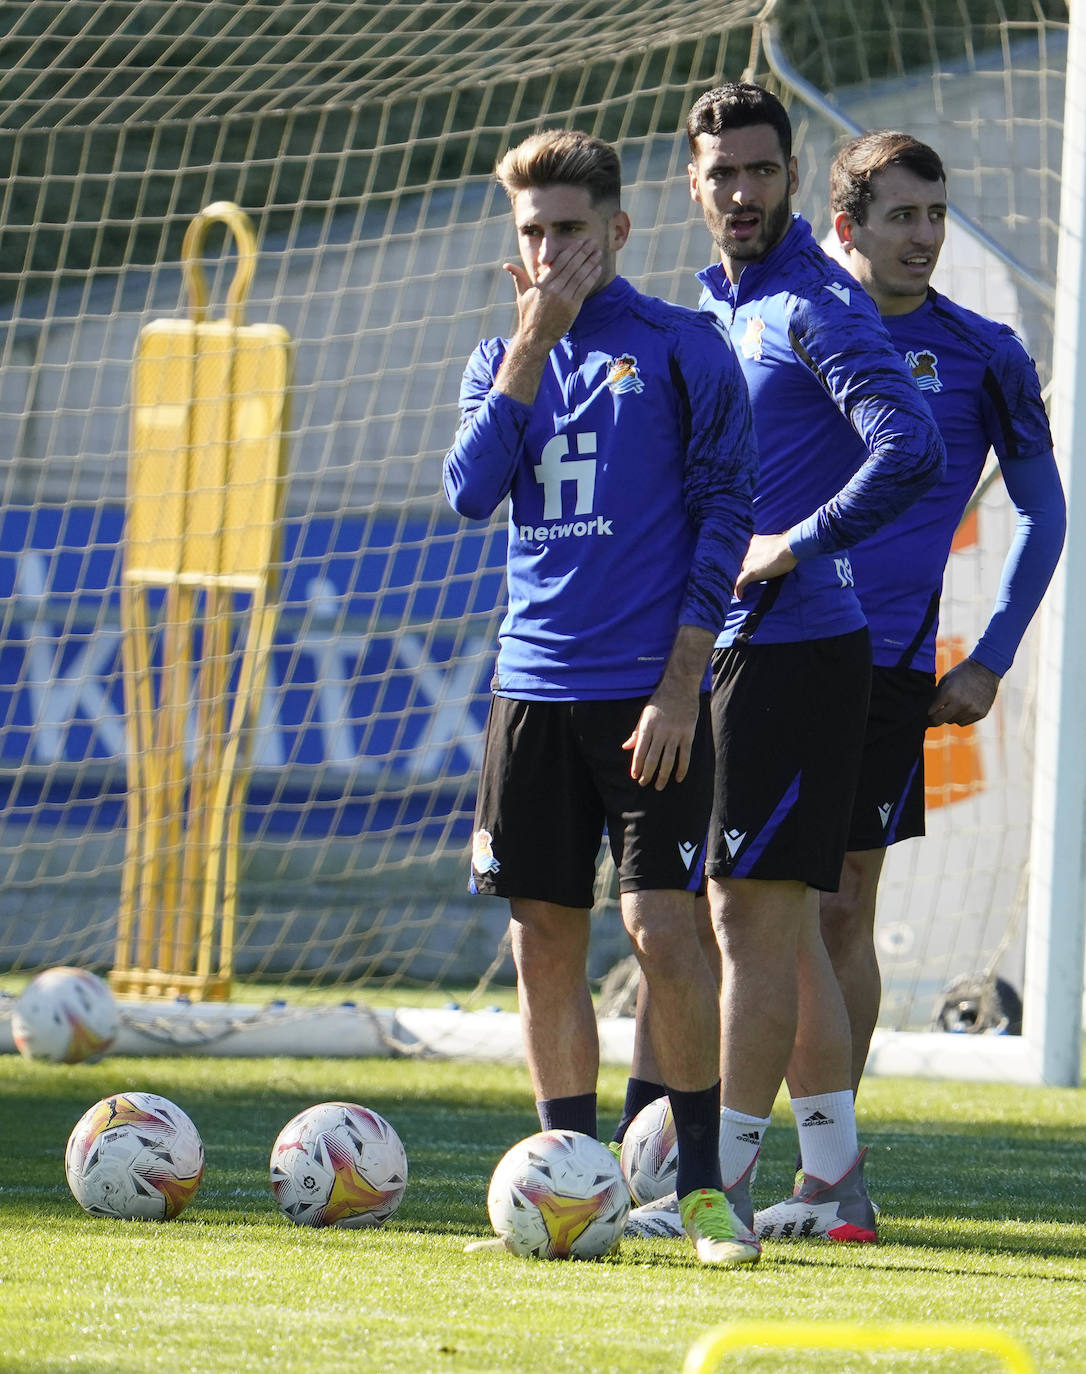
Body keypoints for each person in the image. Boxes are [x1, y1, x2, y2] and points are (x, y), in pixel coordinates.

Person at [623, 83, 946, 1247]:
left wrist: (795, 544)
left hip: (802, 650)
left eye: (762, 172)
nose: (744, 192)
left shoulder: (814, 301)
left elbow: (908, 445)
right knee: (768, 924)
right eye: (723, 175)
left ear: (794, 178)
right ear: (694, 184)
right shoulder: (716, 307)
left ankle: (723, 1190)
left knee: (750, 917)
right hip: (724, 649)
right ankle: (833, 1182)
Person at [443, 129, 761, 1265]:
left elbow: (727, 516)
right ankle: (571, 1182)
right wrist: (532, 343)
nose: (550, 248)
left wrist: (685, 686)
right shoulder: (500, 358)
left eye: (570, 229)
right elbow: (471, 493)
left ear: (619, 232)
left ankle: (710, 1194)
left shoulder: (685, 348)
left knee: (663, 930)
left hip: (648, 696)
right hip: (528, 689)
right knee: (540, 936)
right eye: (532, 231)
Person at [773, 131, 1066, 1122]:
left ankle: (826, 1158)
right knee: (747, 912)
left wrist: (989, 658)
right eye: (903, 215)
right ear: (846, 225)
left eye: (935, 214)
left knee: (841, 909)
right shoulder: (786, 322)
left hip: (884, 664)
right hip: (756, 650)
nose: (926, 235)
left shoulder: (987, 357)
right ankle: (712, 1143)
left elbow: (1045, 510)